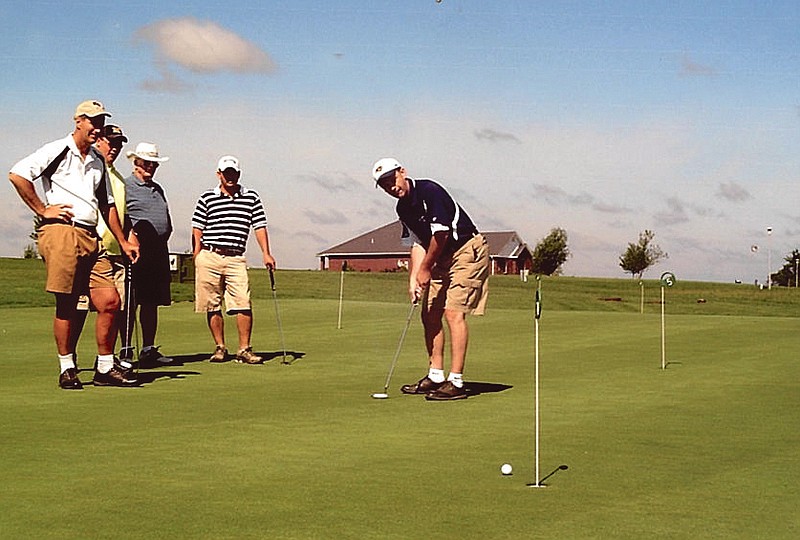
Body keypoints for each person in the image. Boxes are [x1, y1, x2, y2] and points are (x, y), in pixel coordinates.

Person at [8, 100, 139, 389]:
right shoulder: (57, 149)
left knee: (110, 302)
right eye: (92, 121)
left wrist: (122, 240)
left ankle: (105, 367)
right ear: (78, 120)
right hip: (62, 232)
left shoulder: (97, 159)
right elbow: (17, 175)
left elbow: (108, 206)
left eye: (101, 121)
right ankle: (67, 367)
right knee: (68, 303)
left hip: (92, 234)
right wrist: (42, 210)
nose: (97, 127)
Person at [372, 158, 489, 401]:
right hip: (440, 257)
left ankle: (456, 381)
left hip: (467, 250)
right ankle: (435, 375)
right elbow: (417, 243)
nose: (391, 187)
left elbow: (441, 234)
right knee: (429, 313)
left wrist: (426, 269)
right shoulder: (402, 209)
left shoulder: (429, 191)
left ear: (402, 172)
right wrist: (413, 279)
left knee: (453, 313)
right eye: (384, 185)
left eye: (392, 180)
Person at [191, 155, 276, 364]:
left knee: (243, 302)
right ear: (219, 174)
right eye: (226, 173)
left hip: (236, 256)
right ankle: (220, 347)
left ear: (238, 174)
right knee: (212, 304)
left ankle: (244, 349)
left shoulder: (251, 198)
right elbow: (197, 228)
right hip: (209, 254)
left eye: (233, 173)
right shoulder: (207, 197)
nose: (230, 177)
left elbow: (260, 226)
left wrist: (266, 252)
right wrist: (197, 253)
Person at [68, 124, 135, 374]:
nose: (115, 148)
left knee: (112, 307)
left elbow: (120, 214)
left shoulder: (117, 177)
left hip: (115, 250)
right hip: (89, 248)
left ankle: (105, 361)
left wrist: (129, 238)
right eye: (111, 142)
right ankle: (70, 358)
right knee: (79, 308)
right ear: (99, 142)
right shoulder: (87, 171)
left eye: (119, 144)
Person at [124, 142, 174, 365]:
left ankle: (148, 349)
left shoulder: (158, 188)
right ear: (136, 162)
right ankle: (126, 350)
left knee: (151, 302)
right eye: (147, 162)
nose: (151, 167)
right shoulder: (125, 186)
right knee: (130, 302)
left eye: (154, 163)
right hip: (136, 252)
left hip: (157, 251)